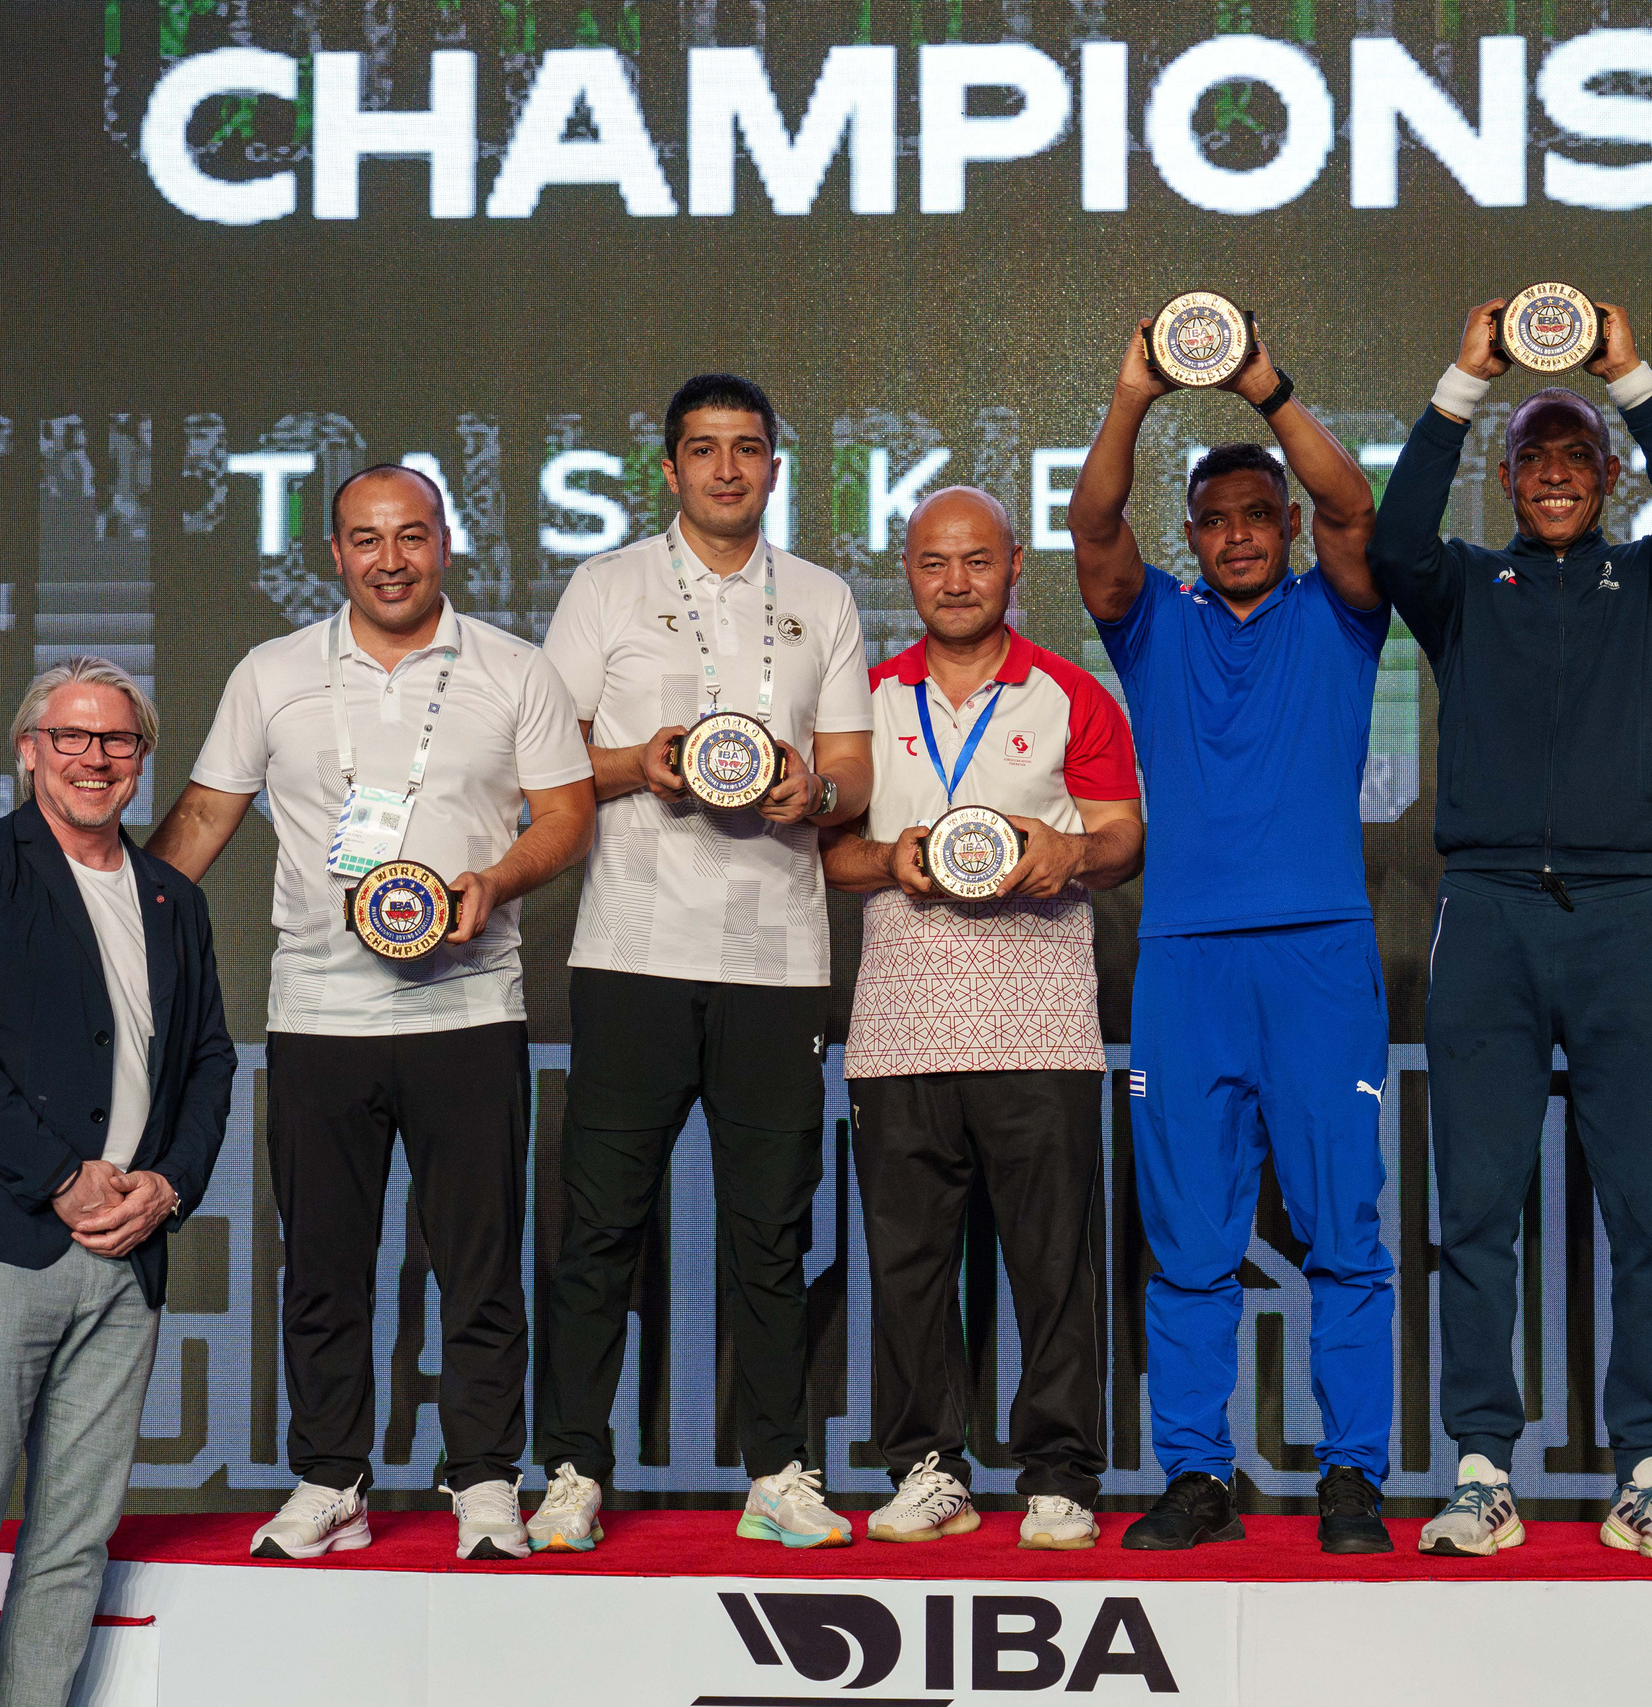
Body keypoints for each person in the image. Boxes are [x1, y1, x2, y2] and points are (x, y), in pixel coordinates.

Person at [147, 464, 596, 1561]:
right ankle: (330, 1478)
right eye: (363, 539)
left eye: (410, 536)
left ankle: (486, 1479)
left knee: (480, 1263)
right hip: (317, 1015)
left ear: (447, 543)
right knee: (323, 1267)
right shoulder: (273, 673)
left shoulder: (513, 668)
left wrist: (495, 880)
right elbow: (204, 816)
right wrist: (113, 928)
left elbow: (569, 814)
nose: (388, 559)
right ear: (333, 554)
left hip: (471, 1008)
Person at [1370, 298, 1652, 1562]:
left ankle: (1648, 1470)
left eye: (1576, 459)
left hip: (1625, 916)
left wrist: (1628, 370)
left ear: (1605, 475)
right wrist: (1462, 381)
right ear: (1510, 478)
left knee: (1647, 1209)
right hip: (1486, 917)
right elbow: (1393, 533)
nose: (1553, 480)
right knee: (1478, 1208)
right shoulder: (1465, 588)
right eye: (1533, 461)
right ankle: (1482, 1468)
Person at [1070, 318, 1398, 1555]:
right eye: (1216, 519)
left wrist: (1264, 387)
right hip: (1189, 966)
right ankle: (1198, 1476)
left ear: (1285, 529)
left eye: (1262, 512)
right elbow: (1094, 531)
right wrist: (1131, 390)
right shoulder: (1153, 625)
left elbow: (1354, 506)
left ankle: (1352, 1477)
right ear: (1193, 536)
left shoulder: (1343, 615)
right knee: (1191, 1234)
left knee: (1342, 1230)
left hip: (1317, 957)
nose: (1241, 533)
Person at [532, 373, 874, 1553]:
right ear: (667, 470)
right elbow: (548, 754)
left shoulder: (823, 597)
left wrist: (809, 790)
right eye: (703, 450)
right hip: (631, 949)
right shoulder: (605, 586)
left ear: (775, 468)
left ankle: (777, 1470)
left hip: (777, 960)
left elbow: (854, 777)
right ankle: (573, 1469)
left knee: (771, 1234)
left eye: (748, 450)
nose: (727, 469)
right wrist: (647, 764)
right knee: (599, 1229)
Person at [0, 656, 233, 1707]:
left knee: (73, 1544)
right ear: (28, 750)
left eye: (117, 741)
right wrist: (60, 1179)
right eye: (72, 738)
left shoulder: (172, 896)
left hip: (129, 1264)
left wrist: (167, 1187)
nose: (95, 758)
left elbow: (210, 1060)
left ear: (142, 760)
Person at [823, 485, 1144, 1551]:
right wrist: (891, 860)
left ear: (1013, 566)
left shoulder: (1069, 696)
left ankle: (1059, 1475)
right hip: (900, 1029)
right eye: (931, 562)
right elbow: (832, 852)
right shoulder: (864, 700)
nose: (954, 581)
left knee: (1051, 1264)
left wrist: (1071, 853)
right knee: (908, 1269)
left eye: (975, 560)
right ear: (906, 572)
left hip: (1041, 1023)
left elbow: (1121, 836)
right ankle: (928, 1465)